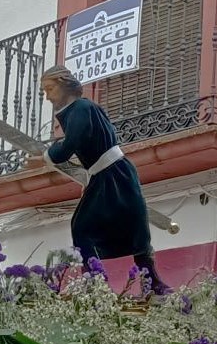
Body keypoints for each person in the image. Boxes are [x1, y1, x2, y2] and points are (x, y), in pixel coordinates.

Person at [39, 67, 168, 293]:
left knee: (83, 226)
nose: (48, 97)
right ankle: (150, 282)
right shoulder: (85, 108)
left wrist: (48, 155)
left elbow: (69, 146)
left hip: (110, 175)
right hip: (113, 174)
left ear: (64, 84)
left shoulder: (80, 109)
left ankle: (96, 284)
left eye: (50, 89)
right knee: (133, 224)